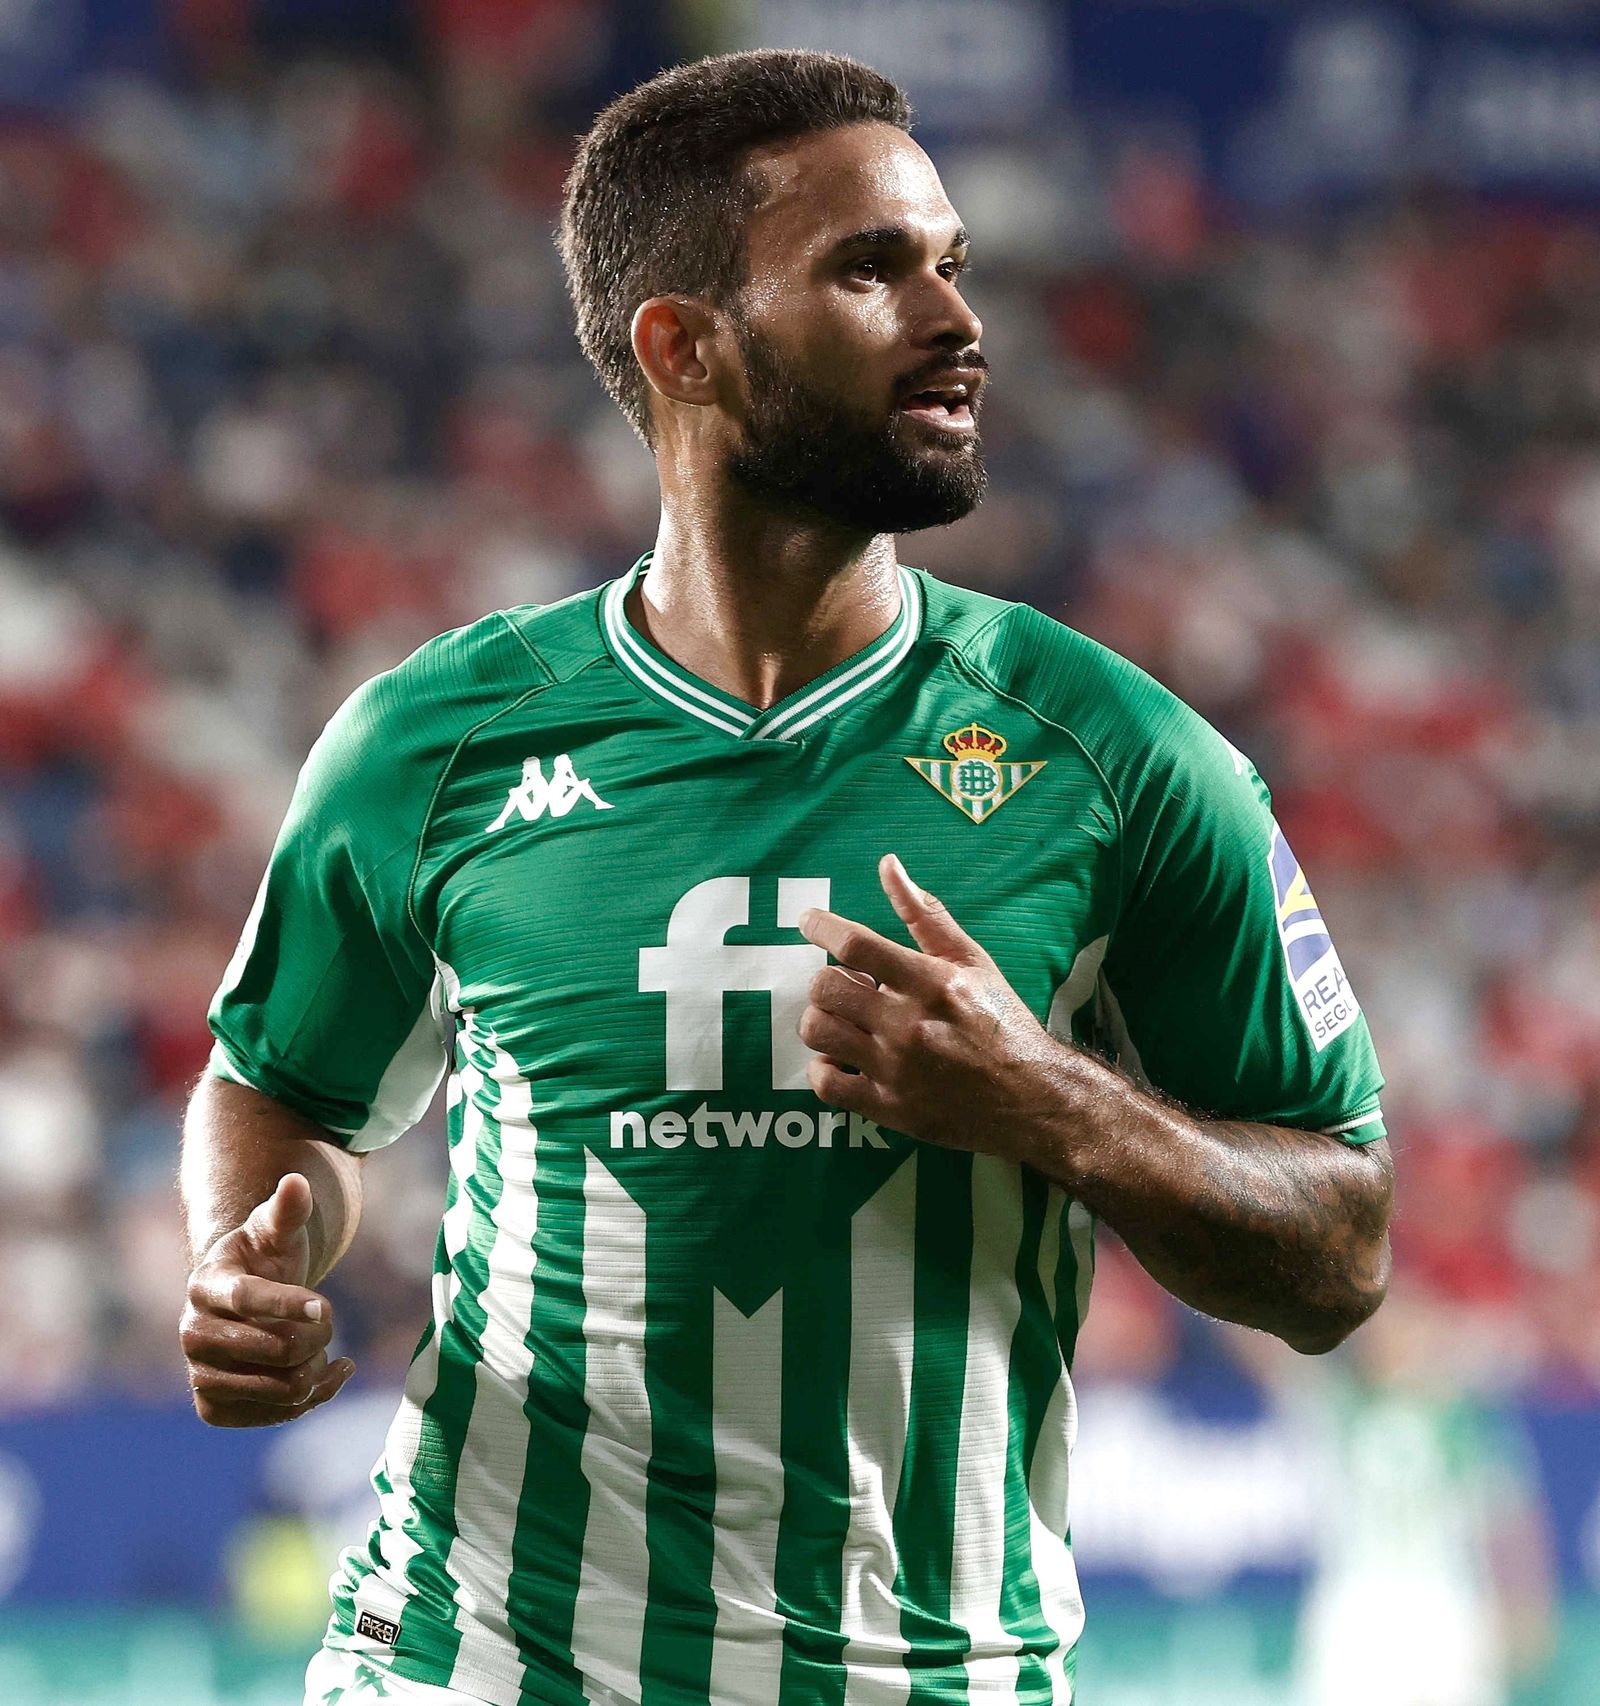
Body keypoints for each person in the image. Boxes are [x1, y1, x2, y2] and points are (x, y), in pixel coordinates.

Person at [178, 49, 1394, 1706]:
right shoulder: (431, 745)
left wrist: (1057, 1103)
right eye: (870, 268)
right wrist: (254, 1256)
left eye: (951, 261)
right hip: (473, 1665)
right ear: (682, 346)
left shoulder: (1116, 754)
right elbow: (275, 1083)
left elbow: (1343, 1252)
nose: (957, 317)